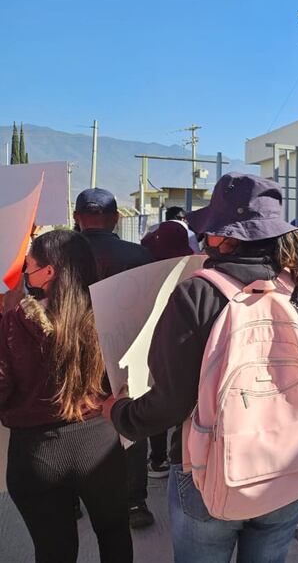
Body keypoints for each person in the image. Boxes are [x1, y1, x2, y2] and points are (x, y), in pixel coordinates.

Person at [104, 173, 298, 562]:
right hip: (289, 470)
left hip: (208, 476)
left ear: (223, 236)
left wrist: (120, 414)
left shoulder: (196, 293)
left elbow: (171, 402)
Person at [0, 230, 132, 562]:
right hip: (99, 444)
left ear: (49, 271)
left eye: (29, 265)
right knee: (115, 534)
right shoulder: (108, 313)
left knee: (53, 550)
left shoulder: (14, 322)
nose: (25, 273)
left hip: (36, 451)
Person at [74, 187, 156, 528]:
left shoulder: (57, 255)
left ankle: (76, 499)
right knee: (130, 424)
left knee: (73, 424)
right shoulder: (140, 255)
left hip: (73, 357)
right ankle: (134, 503)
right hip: (127, 354)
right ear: (116, 219)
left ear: (77, 218)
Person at [140, 218, 196, 480]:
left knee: (156, 395)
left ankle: (158, 458)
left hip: (150, 346)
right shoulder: (194, 269)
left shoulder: (144, 269)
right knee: (183, 400)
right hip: (185, 345)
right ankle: (178, 454)